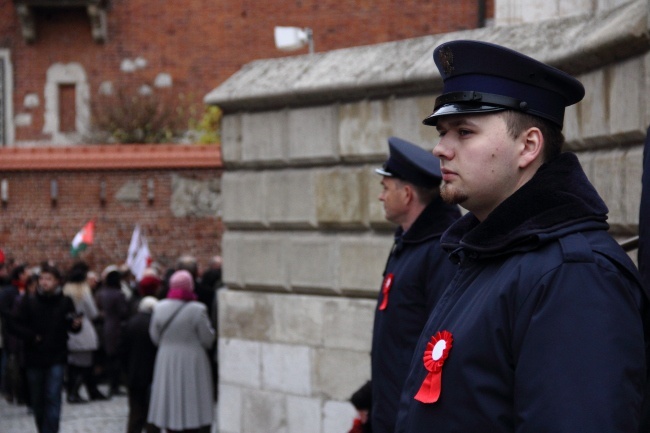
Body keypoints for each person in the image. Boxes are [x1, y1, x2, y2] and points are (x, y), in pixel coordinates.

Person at [394, 40, 650, 432]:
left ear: (528, 145)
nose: (440, 149)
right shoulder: (489, 253)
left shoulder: (573, 275)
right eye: (443, 132)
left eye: (464, 131)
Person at [371, 136, 460, 433]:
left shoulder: (440, 251)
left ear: (407, 194)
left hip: (413, 420)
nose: (381, 197)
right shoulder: (408, 244)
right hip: (390, 411)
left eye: (385, 188)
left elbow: (441, 348)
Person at [11, 264, 82, 433]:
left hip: (56, 355)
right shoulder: (29, 301)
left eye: (48, 279)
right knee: (38, 400)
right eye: (42, 278)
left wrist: (76, 325)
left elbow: (72, 326)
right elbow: (14, 324)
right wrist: (32, 336)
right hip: (34, 356)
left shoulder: (65, 301)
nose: (44, 282)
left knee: (53, 396)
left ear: (57, 282)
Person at [147, 270, 215, 433]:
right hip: (193, 359)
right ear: (190, 287)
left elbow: (154, 336)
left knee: (170, 396)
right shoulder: (198, 309)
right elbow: (207, 339)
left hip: (167, 358)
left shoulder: (159, 307)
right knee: (193, 397)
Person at [62, 261, 107, 403]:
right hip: (83, 330)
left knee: (74, 365)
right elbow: (93, 313)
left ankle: (82, 391)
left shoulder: (65, 290)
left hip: (69, 332)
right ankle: (75, 393)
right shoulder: (83, 292)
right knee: (84, 364)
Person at [122, 296, 160, 433]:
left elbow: (122, 350)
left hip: (134, 373)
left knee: (135, 412)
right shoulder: (155, 324)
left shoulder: (131, 323)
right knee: (153, 413)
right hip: (152, 373)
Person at [95, 266, 130, 397]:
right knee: (116, 358)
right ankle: (115, 385)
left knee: (109, 358)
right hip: (116, 328)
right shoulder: (118, 294)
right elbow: (123, 312)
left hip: (105, 327)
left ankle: (112, 384)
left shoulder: (101, 293)